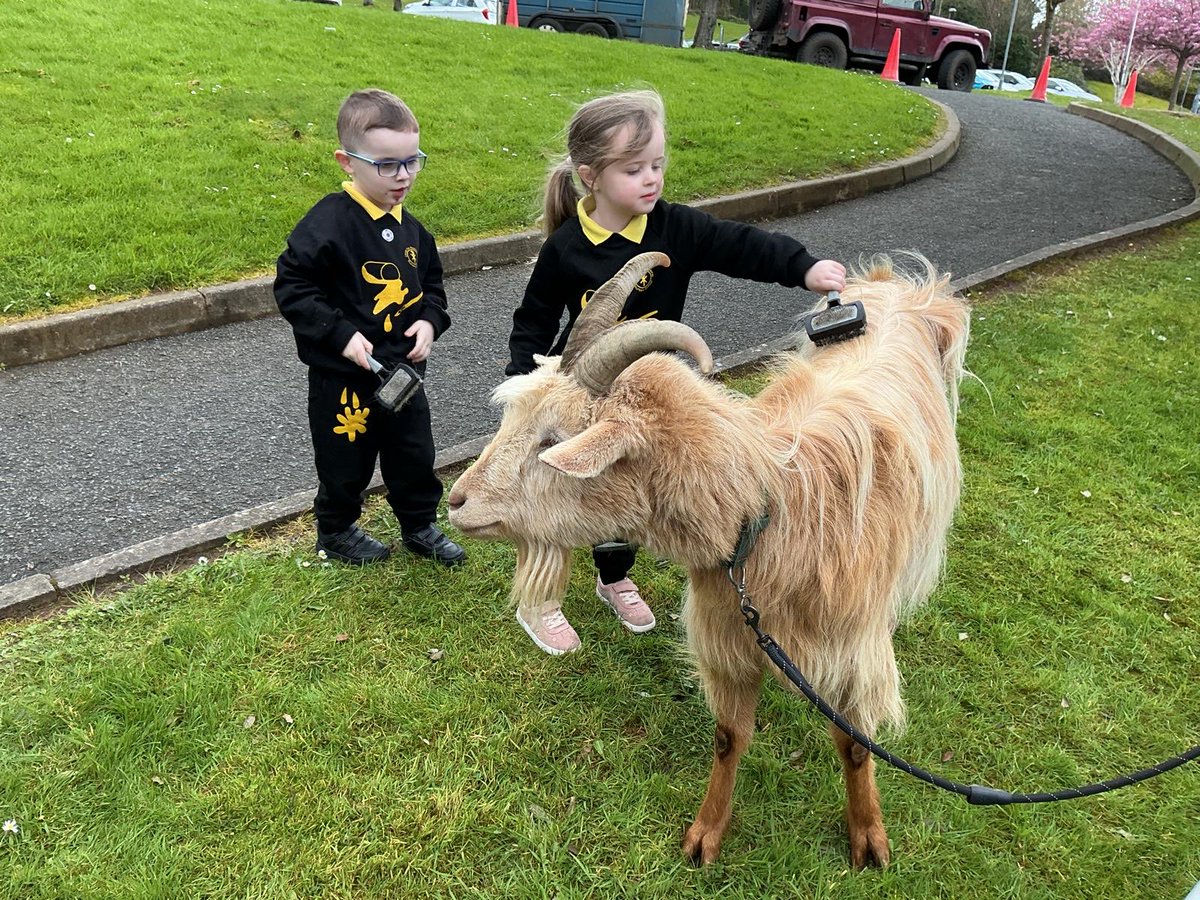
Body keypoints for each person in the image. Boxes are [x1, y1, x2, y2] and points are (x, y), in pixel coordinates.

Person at [505, 88, 846, 655]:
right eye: (634, 168)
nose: (651, 179)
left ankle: (613, 576)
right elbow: (534, 319)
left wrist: (802, 268)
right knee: (557, 494)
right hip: (579, 400)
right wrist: (523, 382)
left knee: (628, 495)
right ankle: (541, 600)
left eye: (658, 164)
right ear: (589, 176)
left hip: (643, 404)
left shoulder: (676, 229)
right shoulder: (566, 246)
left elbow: (742, 246)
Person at [275, 88, 465, 567]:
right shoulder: (327, 225)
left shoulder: (414, 232)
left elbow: (434, 288)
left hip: (401, 375)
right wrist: (339, 334)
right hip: (344, 380)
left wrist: (429, 322)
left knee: (414, 452)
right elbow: (293, 286)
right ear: (347, 161)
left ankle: (420, 523)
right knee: (345, 460)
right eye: (386, 165)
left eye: (412, 162)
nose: (402, 176)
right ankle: (336, 530)